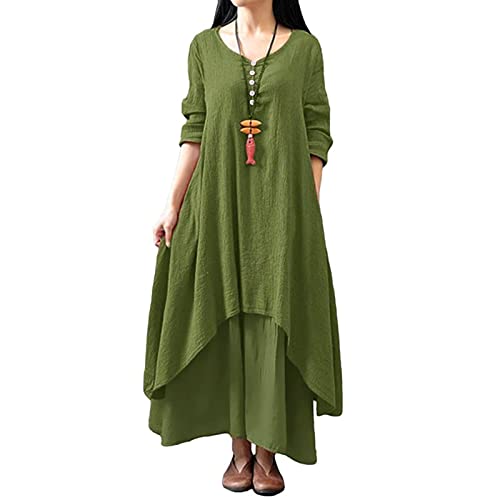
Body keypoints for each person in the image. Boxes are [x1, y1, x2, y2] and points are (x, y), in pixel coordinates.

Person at [143, 0, 343, 495]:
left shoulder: (306, 50)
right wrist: (172, 204)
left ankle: (268, 451)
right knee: (225, 310)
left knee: (275, 315)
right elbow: (195, 130)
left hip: (283, 208)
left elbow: (317, 131)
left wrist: (305, 204)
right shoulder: (203, 48)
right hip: (218, 202)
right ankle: (239, 451)